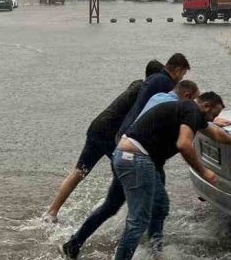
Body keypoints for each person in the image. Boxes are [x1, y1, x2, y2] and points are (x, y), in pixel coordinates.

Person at [110, 91, 231, 260]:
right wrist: (204, 172)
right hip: (134, 158)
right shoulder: (191, 109)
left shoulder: (190, 112)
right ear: (205, 106)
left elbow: (217, 134)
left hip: (138, 158)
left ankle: (155, 257)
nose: (214, 118)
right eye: (214, 114)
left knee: (160, 206)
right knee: (139, 220)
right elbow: (184, 144)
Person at [60, 53, 190, 259]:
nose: (180, 80)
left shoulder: (151, 83)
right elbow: (178, 119)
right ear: (177, 70)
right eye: (182, 75)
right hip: (142, 156)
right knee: (158, 206)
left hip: (122, 149)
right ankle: (153, 255)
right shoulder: (165, 84)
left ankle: (74, 243)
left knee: (111, 206)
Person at [43, 59, 165, 223]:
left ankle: (51, 212)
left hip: (97, 128)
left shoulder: (137, 84)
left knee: (79, 172)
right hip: (109, 135)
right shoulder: (143, 92)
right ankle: (135, 215)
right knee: (130, 172)